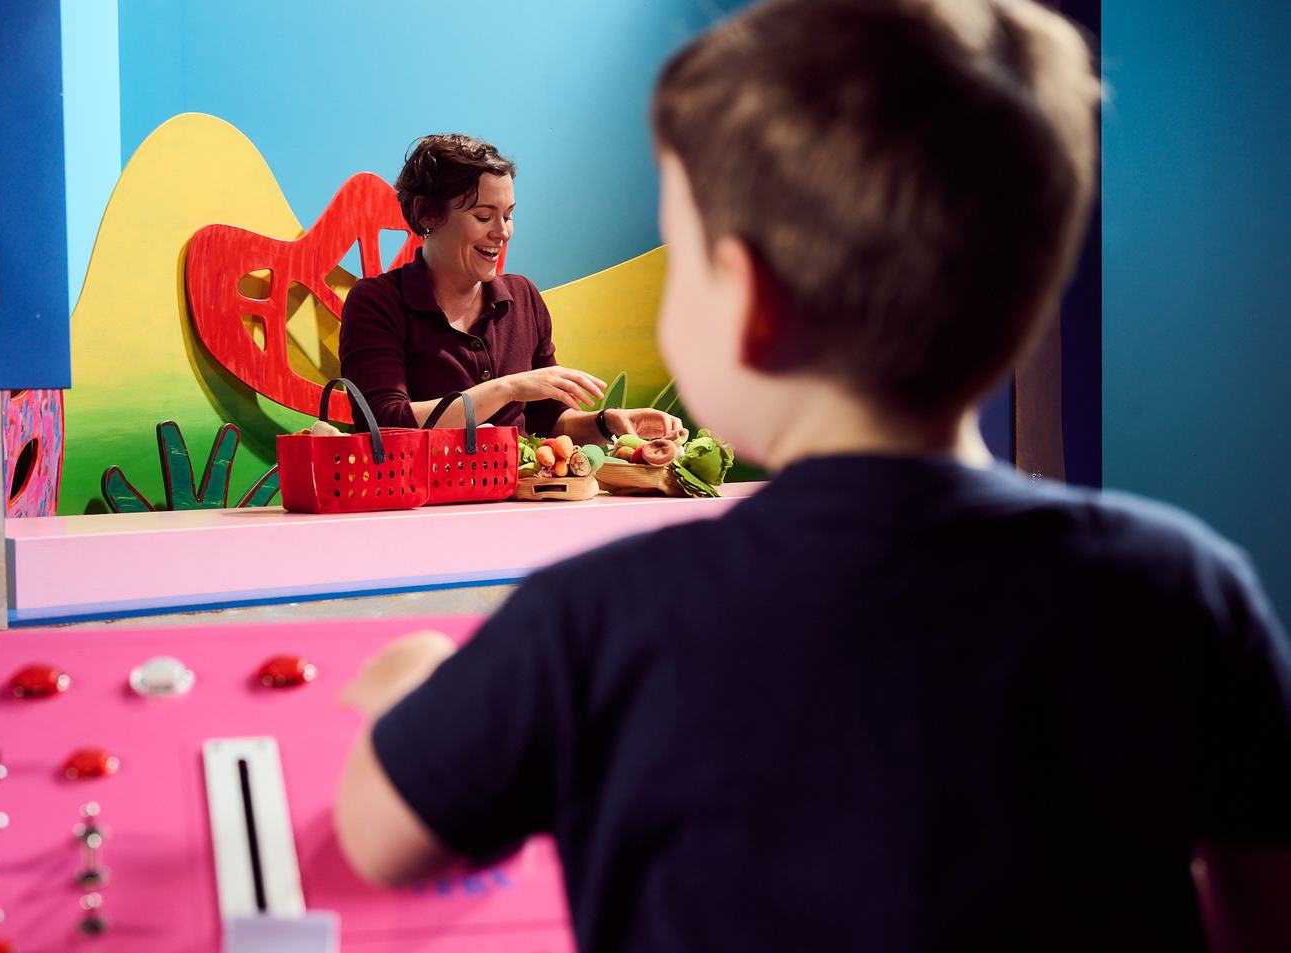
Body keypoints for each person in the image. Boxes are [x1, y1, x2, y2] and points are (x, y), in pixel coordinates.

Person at [335, 1, 1291, 951]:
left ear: (746, 300)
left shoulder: (594, 622)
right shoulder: (1182, 590)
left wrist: (405, 675)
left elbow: (382, 835)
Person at [338, 133, 680, 442]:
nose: (502, 232)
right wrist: (507, 388)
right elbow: (382, 424)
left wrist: (608, 423)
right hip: (420, 506)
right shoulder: (377, 301)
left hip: (513, 501)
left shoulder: (522, 297)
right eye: (484, 217)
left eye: (509, 215)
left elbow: (548, 421)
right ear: (427, 214)